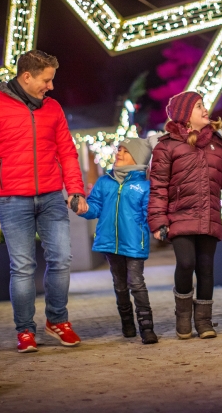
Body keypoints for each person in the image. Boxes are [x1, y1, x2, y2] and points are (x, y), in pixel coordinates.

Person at [0, 49, 89, 353]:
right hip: (11, 199)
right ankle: (24, 330)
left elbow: (67, 152)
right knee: (22, 267)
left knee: (61, 259)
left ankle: (57, 320)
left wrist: (75, 189)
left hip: (50, 196)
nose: (51, 86)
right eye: (46, 80)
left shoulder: (53, 109)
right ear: (27, 76)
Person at [148, 91, 222, 339]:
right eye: (199, 106)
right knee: (186, 262)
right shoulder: (166, 146)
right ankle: (182, 314)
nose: (205, 110)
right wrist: (158, 220)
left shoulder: (217, 144)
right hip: (179, 216)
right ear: (185, 115)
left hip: (208, 214)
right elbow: (158, 186)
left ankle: (203, 321)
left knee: (205, 268)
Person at [80, 137, 158, 344]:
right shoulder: (105, 182)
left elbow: (149, 214)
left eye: (124, 151)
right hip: (109, 242)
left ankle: (146, 327)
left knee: (136, 283)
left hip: (133, 243)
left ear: (137, 157)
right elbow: (95, 206)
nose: (118, 154)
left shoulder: (144, 186)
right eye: (119, 150)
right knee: (120, 285)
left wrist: (157, 227)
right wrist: (85, 208)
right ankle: (127, 324)